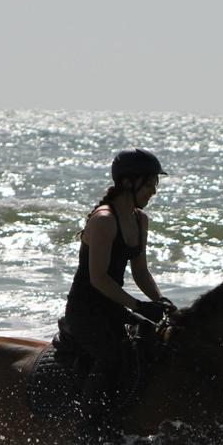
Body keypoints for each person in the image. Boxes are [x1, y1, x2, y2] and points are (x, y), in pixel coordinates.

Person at [54, 148, 175, 418]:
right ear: (129, 182)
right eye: (151, 183)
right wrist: (137, 306)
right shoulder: (104, 220)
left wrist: (160, 303)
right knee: (112, 357)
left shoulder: (140, 220)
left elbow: (141, 272)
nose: (154, 191)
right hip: (86, 312)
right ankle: (89, 428)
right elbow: (98, 278)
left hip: (113, 308)